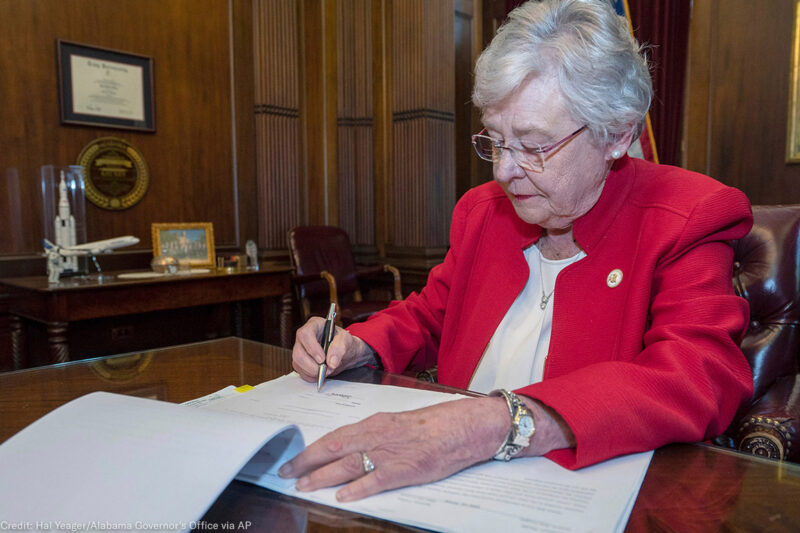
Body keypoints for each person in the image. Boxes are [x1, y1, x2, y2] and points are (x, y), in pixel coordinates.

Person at [279, 0, 753, 503]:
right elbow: (431, 315)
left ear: (617, 134)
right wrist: (359, 345)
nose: (504, 171)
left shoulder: (690, 214)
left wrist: (497, 421)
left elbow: (698, 376)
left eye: (533, 145)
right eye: (496, 141)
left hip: (581, 495)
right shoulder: (483, 211)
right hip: (448, 488)